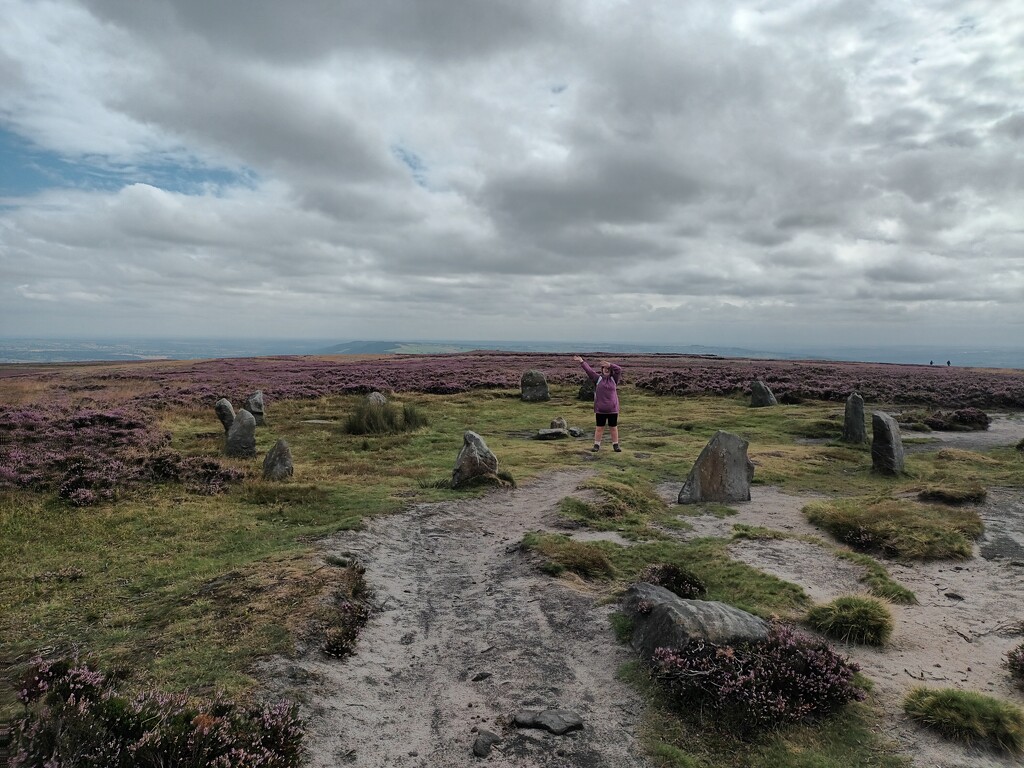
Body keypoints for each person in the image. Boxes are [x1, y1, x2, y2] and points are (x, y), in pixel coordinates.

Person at [573, 355, 622, 452]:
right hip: (601, 409)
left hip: (613, 409)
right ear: (602, 370)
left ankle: (615, 445)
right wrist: (582, 361)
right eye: (604, 368)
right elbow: (589, 371)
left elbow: (619, 369)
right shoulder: (598, 379)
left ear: (610, 370)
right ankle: (596, 445)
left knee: (613, 427)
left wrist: (610, 364)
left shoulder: (614, 379)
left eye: (608, 369)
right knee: (599, 428)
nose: (606, 370)